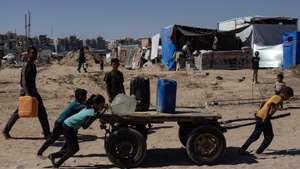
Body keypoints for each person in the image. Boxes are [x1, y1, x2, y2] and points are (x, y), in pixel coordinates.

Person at [2, 47, 51, 139]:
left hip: (33, 91)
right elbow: (24, 81)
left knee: (41, 112)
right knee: (19, 112)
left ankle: (47, 132)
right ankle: (5, 130)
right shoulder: (27, 65)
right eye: (33, 53)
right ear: (28, 54)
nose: (35, 55)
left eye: (36, 53)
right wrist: (28, 95)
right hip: (27, 92)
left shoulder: (33, 65)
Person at [48, 94, 107, 168]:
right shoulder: (93, 113)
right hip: (69, 127)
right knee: (73, 149)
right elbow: (85, 126)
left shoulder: (89, 108)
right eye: (102, 104)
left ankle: (54, 158)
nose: (102, 106)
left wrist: (100, 114)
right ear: (95, 104)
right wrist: (96, 117)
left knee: (71, 148)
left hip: (68, 125)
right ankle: (55, 161)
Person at [239, 86, 294, 154]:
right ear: (285, 93)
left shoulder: (275, 96)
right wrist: (267, 116)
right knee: (268, 136)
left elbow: (264, 102)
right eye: (288, 97)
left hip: (261, 116)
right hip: (264, 118)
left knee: (256, 135)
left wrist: (259, 111)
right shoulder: (279, 99)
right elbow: (270, 105)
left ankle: (243, 149)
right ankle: (256, 151)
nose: (288, 99)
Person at [37, 88, 87, 157]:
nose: (86, 97)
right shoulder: (76, 104)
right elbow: (85, 107)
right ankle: (40, 152)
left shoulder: (77, 103)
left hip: (66, 124)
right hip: (60, 124)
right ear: (80, 96)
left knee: (69, 140)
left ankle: (60, 153)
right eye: (84, 96)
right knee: (52, 139)